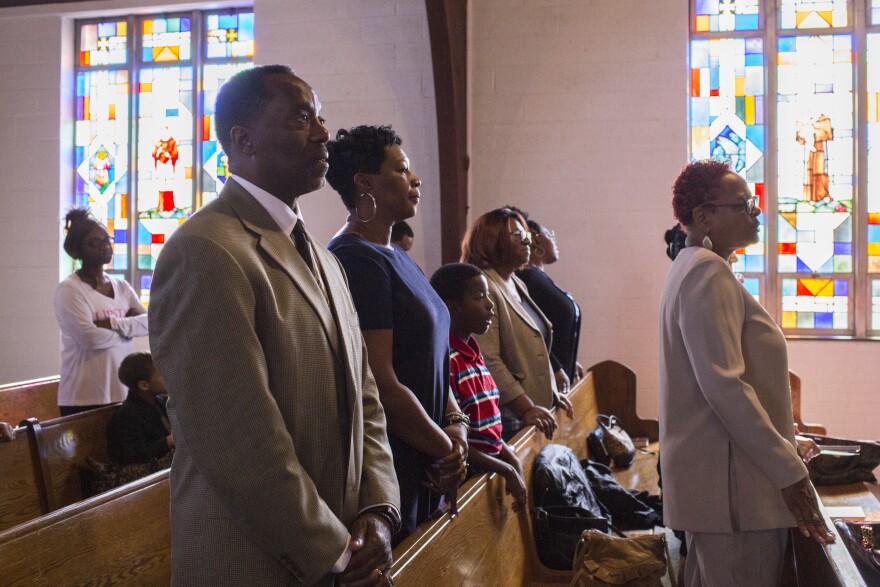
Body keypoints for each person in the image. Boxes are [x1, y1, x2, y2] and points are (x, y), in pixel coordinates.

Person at [148, 66, 400, 586]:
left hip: (340, 548)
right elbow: (239, 437)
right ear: (244, 140)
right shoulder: (207, 249)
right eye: (302, 117)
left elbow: (365, 394)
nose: (323, 132)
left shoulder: (325, 258)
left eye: (320, 116)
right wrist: (334, 549)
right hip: (254, 562)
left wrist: (378, 509)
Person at [660, 159, 834, 587]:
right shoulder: (705, 270)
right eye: (743, 205)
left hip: (727, 485)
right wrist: (789, 471)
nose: (755, 212)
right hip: (735, 492)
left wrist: (787, 438)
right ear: (703, 215)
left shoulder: (696, 266)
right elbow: (725, 386)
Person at [326, 124, 467, 543]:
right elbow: (381, 383)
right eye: (402, 170)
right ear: (364, 181)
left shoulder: (395, 255)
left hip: (429, 447)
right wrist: (446, 450)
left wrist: (456, 426)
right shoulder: (355, 259)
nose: (415, 179)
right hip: (394, 459)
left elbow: (434, 356)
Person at [461, 208, 573, 441]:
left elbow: (532, 344)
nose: (527, 240)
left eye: (526, 234)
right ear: (492, 240)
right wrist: (526, 407)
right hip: (508, 415)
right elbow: (489, 359)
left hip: (530, 406)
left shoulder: (514, 282)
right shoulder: (487, 286)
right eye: (516, 235)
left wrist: (551, 392)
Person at [430, 263, 527, 512]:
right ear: (452, 307)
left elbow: (487, 431)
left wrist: (508, 454)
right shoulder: (447, 360)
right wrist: (502, 466)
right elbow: (456, 441)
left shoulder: (473, 353)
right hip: (465, 482)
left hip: (485, 475)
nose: (489, 305)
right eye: (479, 297)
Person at [55, 209, 148, 416]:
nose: (105, 245)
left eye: (107, 239)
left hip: (121, 391)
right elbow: (90, 338)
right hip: (83, 396)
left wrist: (114, 324)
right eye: (95, 243)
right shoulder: (70, 290)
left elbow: (150, 324)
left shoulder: (121, 286)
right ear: (77, 250)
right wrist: (129, 327)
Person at [513, 214, 584, 386]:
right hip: (543, 379)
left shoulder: (538, 277)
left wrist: (569, 360)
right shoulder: (527, 277)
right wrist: (555, 366)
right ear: (536, 239)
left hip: (558, 373)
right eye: (550, 235)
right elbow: (529, 330)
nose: (554, 240)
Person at [106, 352, 173, 465]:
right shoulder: (126, 415)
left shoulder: (162, 402)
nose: (168, 376)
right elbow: (135, 456)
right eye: (161, 374)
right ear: (144, 385)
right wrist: (169, 441)